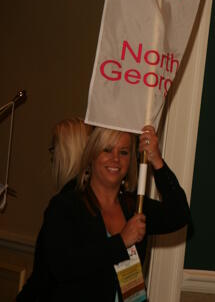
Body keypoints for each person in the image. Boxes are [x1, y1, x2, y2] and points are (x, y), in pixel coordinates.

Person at [32, 124, 190, 301]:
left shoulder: (134, 207)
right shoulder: (66, 206)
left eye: (123, 152)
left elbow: (179, 214)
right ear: (92, 155)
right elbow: (63, 267)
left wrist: (156, 160)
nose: (115, 159)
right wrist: (121, 241)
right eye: (107, 150)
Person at [16, 117, 93, 301]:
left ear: (65, 153)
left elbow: (46, 275)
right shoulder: (97, 200)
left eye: (54, 149)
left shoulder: (64, 205)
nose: (51, 157)